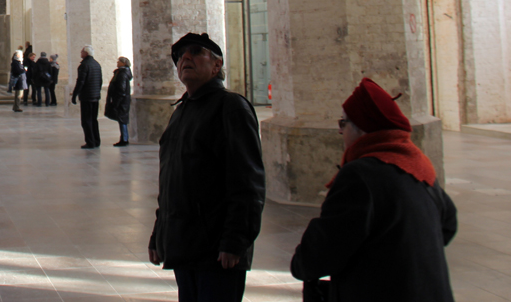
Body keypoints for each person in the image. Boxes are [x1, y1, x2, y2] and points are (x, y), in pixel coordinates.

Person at [290, 78, 458, 302]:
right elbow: (448, 223)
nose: (340, 132)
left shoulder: (359, 176)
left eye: (343, 123)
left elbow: (320, 254)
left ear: (362, 128)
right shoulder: (416, 163)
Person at [148, 32, 265, 302]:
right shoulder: (181, 112)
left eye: (196, 52)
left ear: (216, 65)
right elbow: (171, 182)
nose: (185, 58)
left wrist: (235, 241)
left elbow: (248, 183)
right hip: (185, 244)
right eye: (180, 56)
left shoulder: (231, 108)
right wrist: (159, 234)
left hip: (216, 250)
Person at [71, 45, 103, 149]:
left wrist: (75, 94)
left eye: (81, 51)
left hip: (87, 96)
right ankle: (96, 140)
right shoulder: (96, 64)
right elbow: (100, 81)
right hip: (95, 96)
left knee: (86, 120)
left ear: (86, 53)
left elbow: (81, 81)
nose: (80, 53)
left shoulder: (84, 65)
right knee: (94, 119)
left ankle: (90, 142)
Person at [104, 56, 133, 146]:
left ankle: (124, 139)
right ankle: (123, 138)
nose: (117, 62)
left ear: (124, 63)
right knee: (122, 120)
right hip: (122, 100)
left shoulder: (122, 74)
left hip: (122, 101)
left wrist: (116, 102)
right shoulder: (120, 73)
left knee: (122, 120)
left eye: (119, 61)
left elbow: (121, 89)